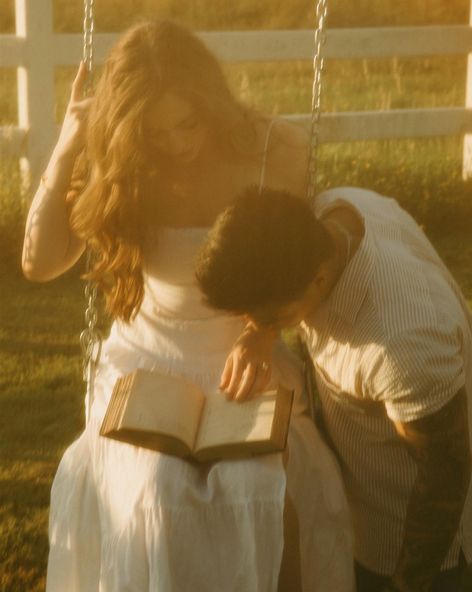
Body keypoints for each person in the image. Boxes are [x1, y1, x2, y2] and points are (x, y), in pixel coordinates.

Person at [22, 20, 354, 591]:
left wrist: (263, 332)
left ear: (212, 101)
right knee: (156, 490)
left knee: (258, 488)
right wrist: (70, 141)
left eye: (188, 122)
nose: (177, 142)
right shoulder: (124, 166)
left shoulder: (273, 150)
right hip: (145, 364)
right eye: (157, 132)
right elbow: (41, 262)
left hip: (242, 356)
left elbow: (294, 262)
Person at [195, 185, 472, 592]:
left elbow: (444, 475)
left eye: (274, 315)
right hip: (360, 522)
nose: (257, 321)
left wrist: (408, 583)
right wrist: (260, 330)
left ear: (319, 279)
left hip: (418, 553)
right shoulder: (339, 208)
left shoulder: (400, 346)